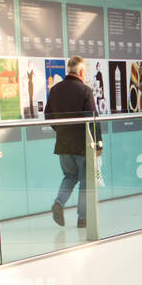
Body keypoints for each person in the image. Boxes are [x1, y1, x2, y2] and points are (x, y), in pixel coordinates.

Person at [44, 56, 101, 230]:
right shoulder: (85, 90)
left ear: (68, 70)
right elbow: (92, 119)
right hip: (83, 145)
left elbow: (48, 116)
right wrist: (98, 144)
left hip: (63, 144)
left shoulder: (55, 90)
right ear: (81, 72)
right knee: (85, 181)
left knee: (70, 176)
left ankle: (59, 203)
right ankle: (83, 219)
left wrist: (61, 131)